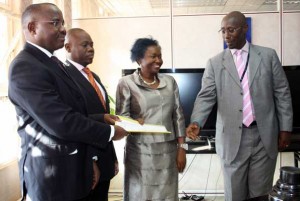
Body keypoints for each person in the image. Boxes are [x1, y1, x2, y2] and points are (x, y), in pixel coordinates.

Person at [8, 3, 127, 201]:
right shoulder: (26, 67)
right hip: (52, 178)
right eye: (55, 23)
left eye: (63, 23)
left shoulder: (52, 63)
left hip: (72, 173)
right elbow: (62, 122)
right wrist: (111, 132)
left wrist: (101, 118)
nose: (63, 29)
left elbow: (72, 112)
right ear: (32, 28)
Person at [186, 11, 293, 201]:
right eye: (223, 31)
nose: (227, 35)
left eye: (231, 30)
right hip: (231, 138)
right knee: (235, 195)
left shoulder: (268, 56)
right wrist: (196, 121)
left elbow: (282, 93)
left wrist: (285, 128)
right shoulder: (215, 63)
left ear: (245, 29)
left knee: (260, 194)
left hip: (264, 136)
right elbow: (206, 96)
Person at [116, 37, 187, 201]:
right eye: (153, 56)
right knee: (140, 195)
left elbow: (178, 116)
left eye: (160, 56)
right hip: (140, 153)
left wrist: (182, 148)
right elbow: (121, 117)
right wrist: (133, 123)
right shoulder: (126, 83)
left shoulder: (170, 82)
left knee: (167, 195)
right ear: (139, 59)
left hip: (168, 152)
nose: (158, 60)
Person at [64, 28, 118, 201]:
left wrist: (112, 157)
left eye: (92, 45)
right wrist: (91, 159)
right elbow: (76, 122)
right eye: (85, 45)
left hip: (104, 158)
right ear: (68, 47)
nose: (91, 49)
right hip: (85, 161)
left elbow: (103, 118)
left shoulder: (93, 76)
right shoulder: (65, 77)